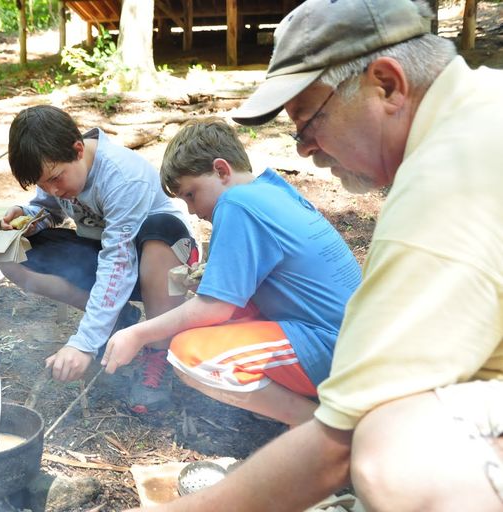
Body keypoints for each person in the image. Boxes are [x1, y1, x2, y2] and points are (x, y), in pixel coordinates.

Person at [125, 0, 503, 510]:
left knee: (390, 455)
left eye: (308, 120)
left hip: (330, 344)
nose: (303, 148)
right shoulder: (482, 107)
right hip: (346, 336)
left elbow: (341, 442)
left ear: (386, 84)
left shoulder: (444, 183)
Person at [101, 118, 361, 427]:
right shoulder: (272, 190)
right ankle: (294, 403)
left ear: (222, 170)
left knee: (189, 354)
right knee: (230, 319)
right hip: (355, 340)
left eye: (191, 194)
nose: (193, 210)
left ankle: (321, 428)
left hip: (336, 351)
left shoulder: (236, 203)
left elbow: (215, 307)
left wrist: (138, 333)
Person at [0, 104, 198, 413]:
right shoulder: (59, 173)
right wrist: (27, 216)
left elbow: (118, 264)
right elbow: (49, 209)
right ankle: (118, 323)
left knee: (160, 229)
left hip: (162, 260)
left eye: (55, 179)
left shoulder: (121, 177)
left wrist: (83, 343)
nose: (53, 190)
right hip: (108, 253)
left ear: (78, 149)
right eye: (43, 184)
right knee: (20, 255)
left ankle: (157, 355)